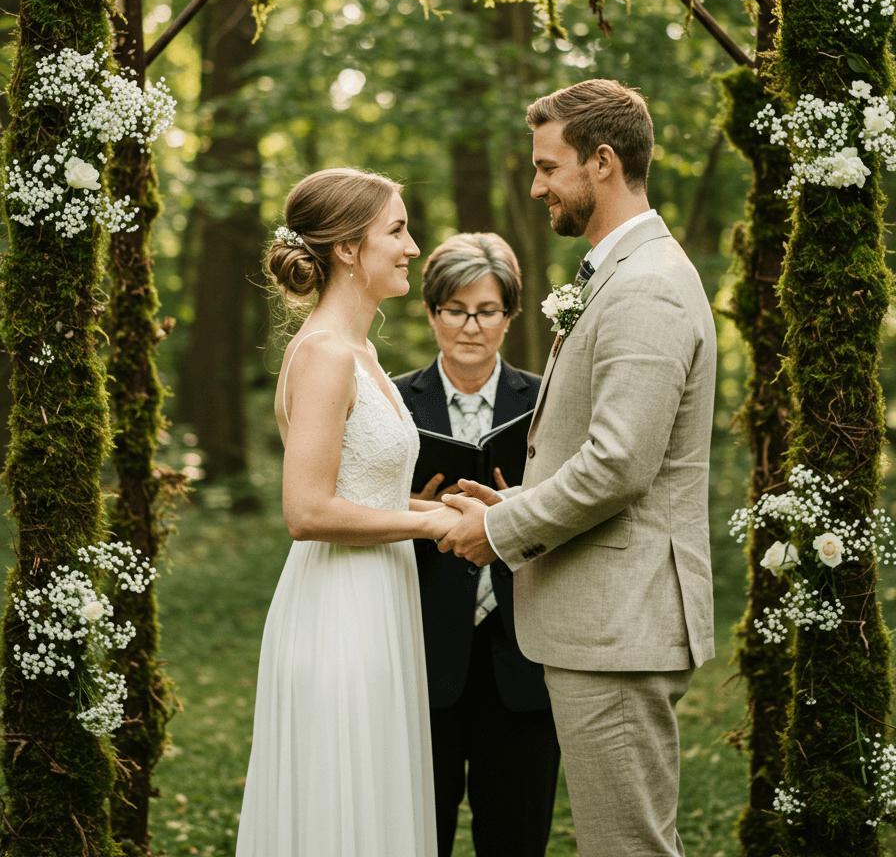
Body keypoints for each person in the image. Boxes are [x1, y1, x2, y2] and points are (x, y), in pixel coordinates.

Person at [440, 79, 716, 857]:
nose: (536, 186)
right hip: (605, 620)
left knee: (626, 847)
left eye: (548, 166)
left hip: (621, 623)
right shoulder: (624, 274)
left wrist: (498, 527)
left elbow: (620, 464)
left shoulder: (649, 288)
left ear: (602, 161)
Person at [235, 167, 461, 857]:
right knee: (343, 804)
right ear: (346, 250)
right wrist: (427, 524)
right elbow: (306, 509)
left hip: (380, 596)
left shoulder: (362, 352)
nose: (413, 246)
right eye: (396, 230)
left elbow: (356, 490)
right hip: (339, 608)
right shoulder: (327, 355)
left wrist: (425, 504)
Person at [394, 233, 561, 857]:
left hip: (522, 656)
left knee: (516, 841)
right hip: (420, 655)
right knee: (416, 837)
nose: (470, 325)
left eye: (486, 310)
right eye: (455, 309)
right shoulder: (391, 402)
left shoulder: (547, 398)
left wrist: (520, 506)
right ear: (432, 311)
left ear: (510, 315)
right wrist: (416, 510)